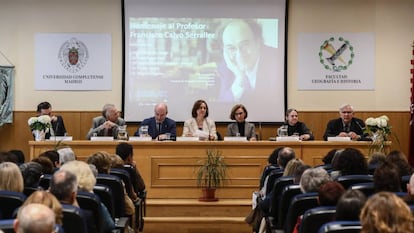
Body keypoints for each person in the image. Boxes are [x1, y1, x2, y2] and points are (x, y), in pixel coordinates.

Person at [217, 19, 279, 103]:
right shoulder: (225, 66)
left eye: (244, 45)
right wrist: (239, 79)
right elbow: (223, 103)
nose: (239, 55)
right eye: (231, 48)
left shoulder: (277, 61)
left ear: (258, 42)